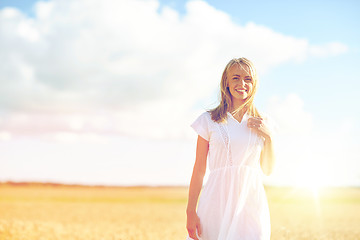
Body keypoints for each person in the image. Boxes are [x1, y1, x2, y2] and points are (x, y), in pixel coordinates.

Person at [186, 57, 276, 240]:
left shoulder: (264, 122)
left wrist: (269, 136)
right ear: (226, 82)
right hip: (215, 202)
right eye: (235, 78)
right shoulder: (208, 120)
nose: (242, 83)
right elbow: (199, 169)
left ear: (254, 83)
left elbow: (267, 170)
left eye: (248, 79)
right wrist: (190, 211)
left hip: (250, 202)